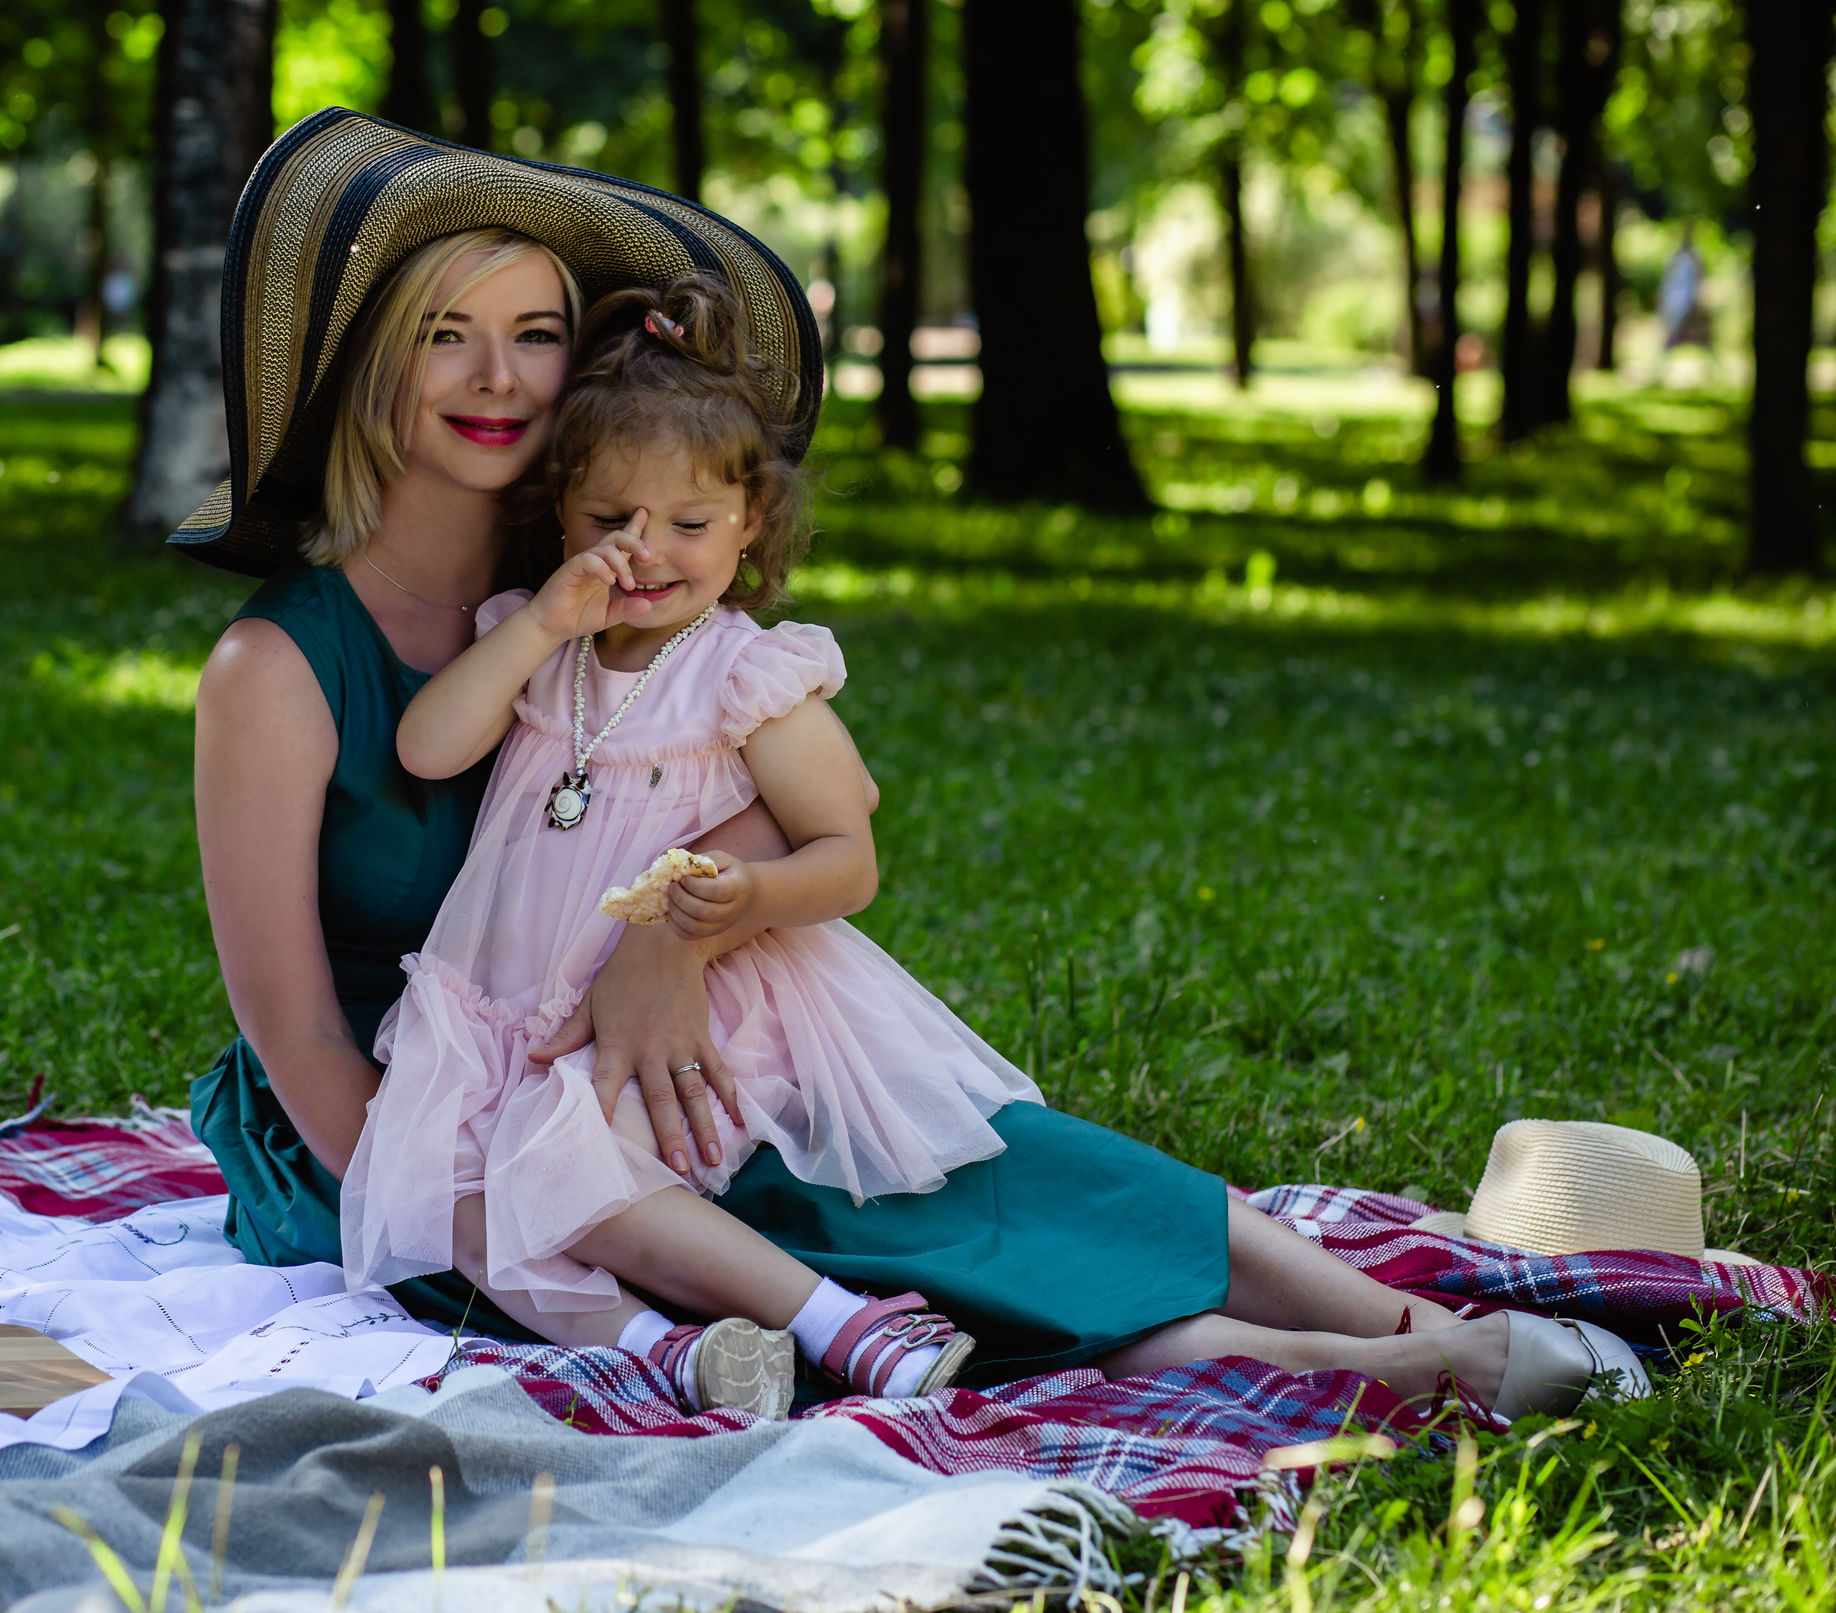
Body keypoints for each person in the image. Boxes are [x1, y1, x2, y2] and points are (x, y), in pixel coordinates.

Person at [184, 110, 1638, 1426]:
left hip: (664, 1038)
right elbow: (302, 1036)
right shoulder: (282, 668)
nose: (499, 376)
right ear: (371, 361)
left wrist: (671, 939)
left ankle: (1438, 1326)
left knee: (987, 1159)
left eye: (538, 332)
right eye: (445, 333)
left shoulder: (604, 567)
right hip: (414, 1130)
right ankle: (1386, 1370)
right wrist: (456, 1197)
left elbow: (787, 787)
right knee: (868, 1248)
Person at [343, 271, 1038, 1414]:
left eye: (689, 523)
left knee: (564, 1162)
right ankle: (664, 1351)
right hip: (504, 1005)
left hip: (688, 1012)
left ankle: (841, 1324)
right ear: (560, 515)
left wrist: (751, 889)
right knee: (439, 1197)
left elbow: (846, 857)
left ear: (752, 520)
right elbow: (427, 748)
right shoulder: (538, 647)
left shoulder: (746, 676)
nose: (643, 552)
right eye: (608, 520)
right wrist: (540, 625)